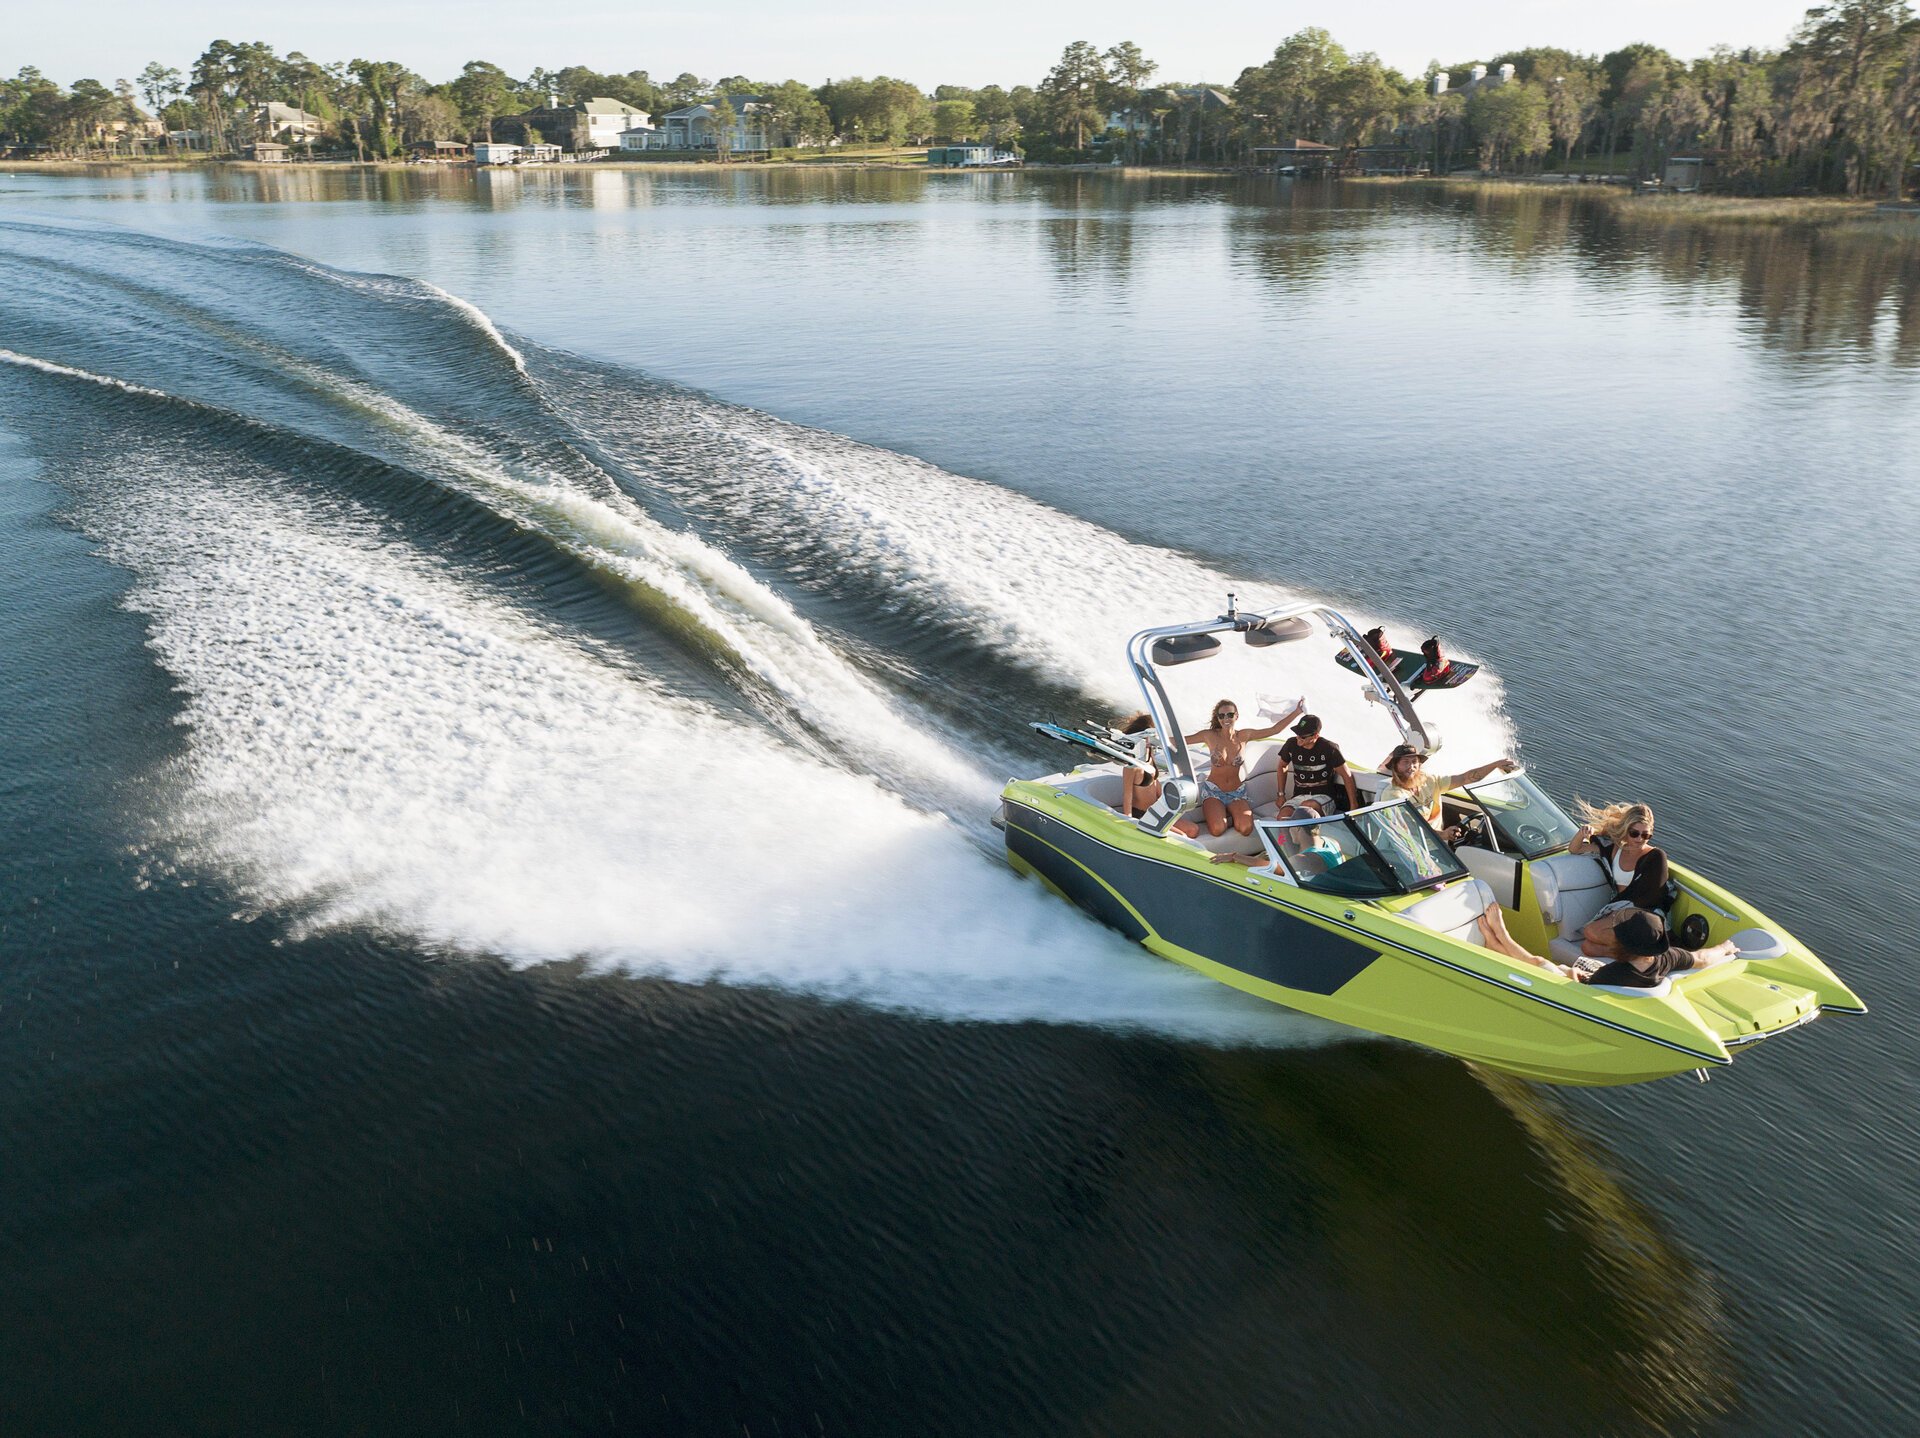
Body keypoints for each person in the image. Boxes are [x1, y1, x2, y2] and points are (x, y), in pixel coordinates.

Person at [1474, 905, 1739, 987]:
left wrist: (1573, 974)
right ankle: (1494, 942)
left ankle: (1501, 936)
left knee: (1539, 963)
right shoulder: (1666, 958)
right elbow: (1702, 958)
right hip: (1593, 980)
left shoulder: (1614, 973)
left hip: (1576, 991)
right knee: (1553, 965)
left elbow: (1582, 989)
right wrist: (1725, 948)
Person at [1175, 696, 1305, 839]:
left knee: (1246, 828)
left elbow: (1275, 730)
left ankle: (1230, 815)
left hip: (1236, 792)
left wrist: (1297, 712)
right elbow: (1179, 741)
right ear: (1217, 718)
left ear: (1236, 716)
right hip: (1213, 791)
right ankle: (1226, 816)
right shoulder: (1208, 735)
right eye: (1221, 715)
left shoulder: (1244, 735)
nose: (1226, 718)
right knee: (1218, 829)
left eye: (1230, 715)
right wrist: (1156, 738)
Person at [1569, 801, 1671, 953]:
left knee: (1590, 931)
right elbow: (1575, 849)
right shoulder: (1613, 849)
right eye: (1634, 833)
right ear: (1626, 829)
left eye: (1646, 835)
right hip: (1618, 910)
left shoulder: (1656, 856)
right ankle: (1640, 956)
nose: (1639, 839)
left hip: (1644, 915)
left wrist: (1619, 911)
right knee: (1587, 947)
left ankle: (1646, 954)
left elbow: (1654, 896)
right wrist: (1582, 833)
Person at [1376, 744, 1517, 825]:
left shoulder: (1430, 781)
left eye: (1414, 762)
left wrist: (1495, 765)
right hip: (1418, 851)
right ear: (1395, 766)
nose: (1411, 767)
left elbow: (1466, 778)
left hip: (1440, 844)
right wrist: (1443, 835)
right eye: (1405, 762)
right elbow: (1410, 831)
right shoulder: (1393, 795)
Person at [1275, 714, 1359, 822]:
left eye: (1303, 736)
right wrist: (1281, 795)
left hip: (1324, 797)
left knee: (1306, 808)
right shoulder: (1291, 744)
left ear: (1315, 736)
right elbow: (1282, 766)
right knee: (1282, 817)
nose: (1298, 738)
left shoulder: (1329, 748)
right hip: (1299, 796)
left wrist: (1354, 806)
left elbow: (1346, 775)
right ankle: (1285, 835)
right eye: (1297, 734)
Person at [1115, 712, 1162, 819]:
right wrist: (1128, 819)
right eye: (1154, 736)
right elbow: (1127, 795)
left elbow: (1155, 782)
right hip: (1141, 814)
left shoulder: (1149, 753)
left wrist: (1168, 805)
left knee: (1192, 828)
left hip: (1155, 813)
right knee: (1191, 828)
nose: (1156, 739)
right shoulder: (1131, 763)